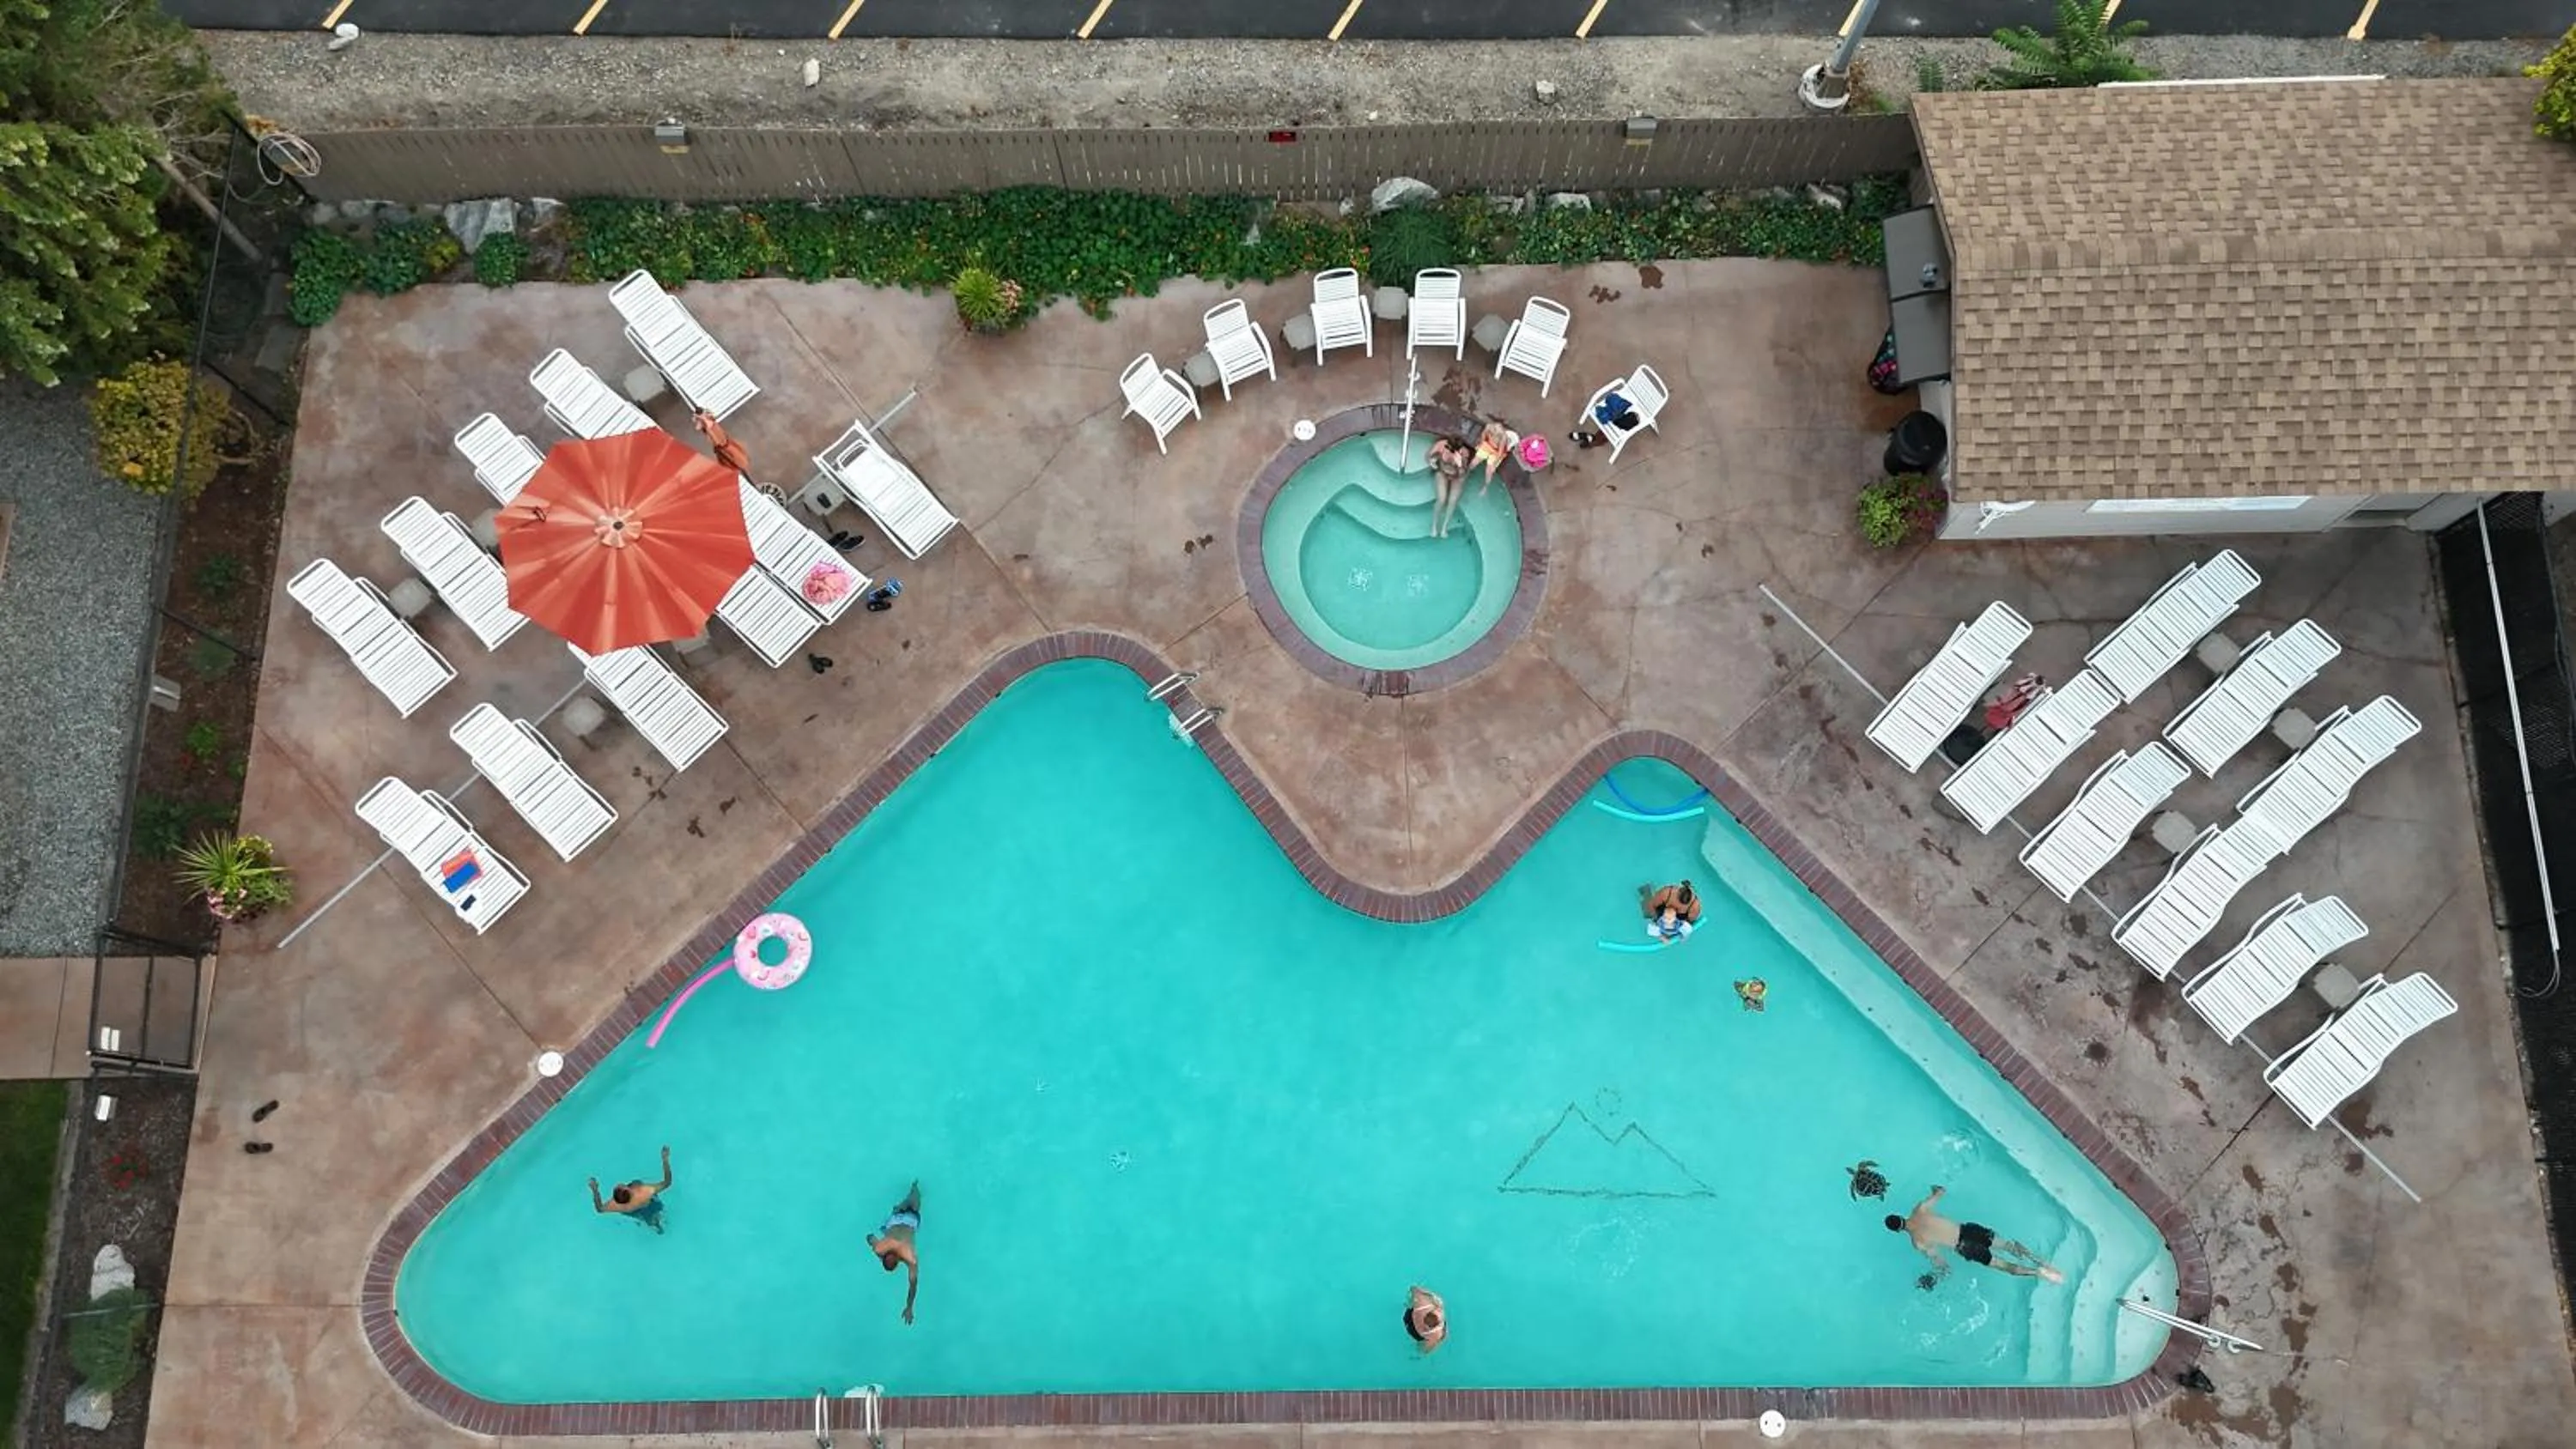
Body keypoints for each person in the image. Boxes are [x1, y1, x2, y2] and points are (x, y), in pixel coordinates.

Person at [1886, 1185, 2063, 1283]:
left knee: (2005, 1266)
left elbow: (1942, 1264)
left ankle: (2039, 1273)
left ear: (1897, 1231)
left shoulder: (1918, 1242)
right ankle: (2039, 1260)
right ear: (1900, 1215)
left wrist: (1936, 1276)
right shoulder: (1921, 1210)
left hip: (1965, 1248)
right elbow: (1941, 1191)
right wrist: (1934, 1190)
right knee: (2009, 1246)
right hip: (1969, 1230)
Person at [866, 1180, 924, 1325]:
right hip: (896, 1219)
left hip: (911, 1220)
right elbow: (869, 1237)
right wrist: (876, 1249)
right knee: (908, 1200)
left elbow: (913, 1285)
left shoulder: (910, 1258)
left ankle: (914, 1187)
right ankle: (913, 1186)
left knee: (915, 1196)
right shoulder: (881, 1248)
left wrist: (910, 1307)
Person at [588, 1146, 673, 1234]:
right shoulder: (644, 1192)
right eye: (621, 1186)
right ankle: (659, 1223)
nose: (618, 1184)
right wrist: (665, 1160)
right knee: (656, 1210)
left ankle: (657, 1226)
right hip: (648, 1203)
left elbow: (600, 1209)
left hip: (633, 1211)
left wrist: (595, 1190)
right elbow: (667, 1183)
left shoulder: (615, 1205)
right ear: (630, 1190)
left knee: (647, 1218)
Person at [1427, 435, 1473, 538]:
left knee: (1452, 501)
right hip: (1443, 473)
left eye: (1451, 450)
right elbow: (1429, 456)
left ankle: (1444, 527)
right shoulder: (1441, 445)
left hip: (1458, 476)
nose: (1448, 450)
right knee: (1441, 500)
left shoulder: (1464, 453)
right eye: (1447, 447)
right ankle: (1434, 525)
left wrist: (1460, 464)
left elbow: (1464, 473)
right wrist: (1432, 461)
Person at [692, 408, 753, 480]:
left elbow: (714, 439)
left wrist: (700, 418)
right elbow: (699, 427)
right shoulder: (708, 418)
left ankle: (744, 474)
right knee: (736, 460)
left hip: (723, 446)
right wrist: (699, 418)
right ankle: (745, 473)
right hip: (724, 442)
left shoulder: (707, 424)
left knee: (735, 461)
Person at [1640, 880, 1704, 943]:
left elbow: (1690, 922)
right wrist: (1656, 923)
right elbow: (1653, 905)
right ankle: (1645, 891)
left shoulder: (1695, 905)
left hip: (1678, 922)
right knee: (1648, 911)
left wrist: (1683, 934)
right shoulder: (1666, 893)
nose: (1678, 906)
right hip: (1661, 911)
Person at [1470, 420, 1519, 490]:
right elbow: (1483, 437)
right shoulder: (1488, 428)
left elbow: (1500, 453)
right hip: (1488, 446)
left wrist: (1494, 464)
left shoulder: (1503, 438)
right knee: (1474, 462)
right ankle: (1468, 472)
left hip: (1497, 452)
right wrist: (1480, 445)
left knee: (1489, 471)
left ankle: (1485, 486)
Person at [1403, 1285, 1448, 1354]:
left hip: (1411, 1317)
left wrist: (1430, 1296)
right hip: (1416, 1331)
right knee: (1442, 1337)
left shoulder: (1424, 1302)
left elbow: (1413, 1288)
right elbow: (1425, 1350)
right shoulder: (1436, 1334)